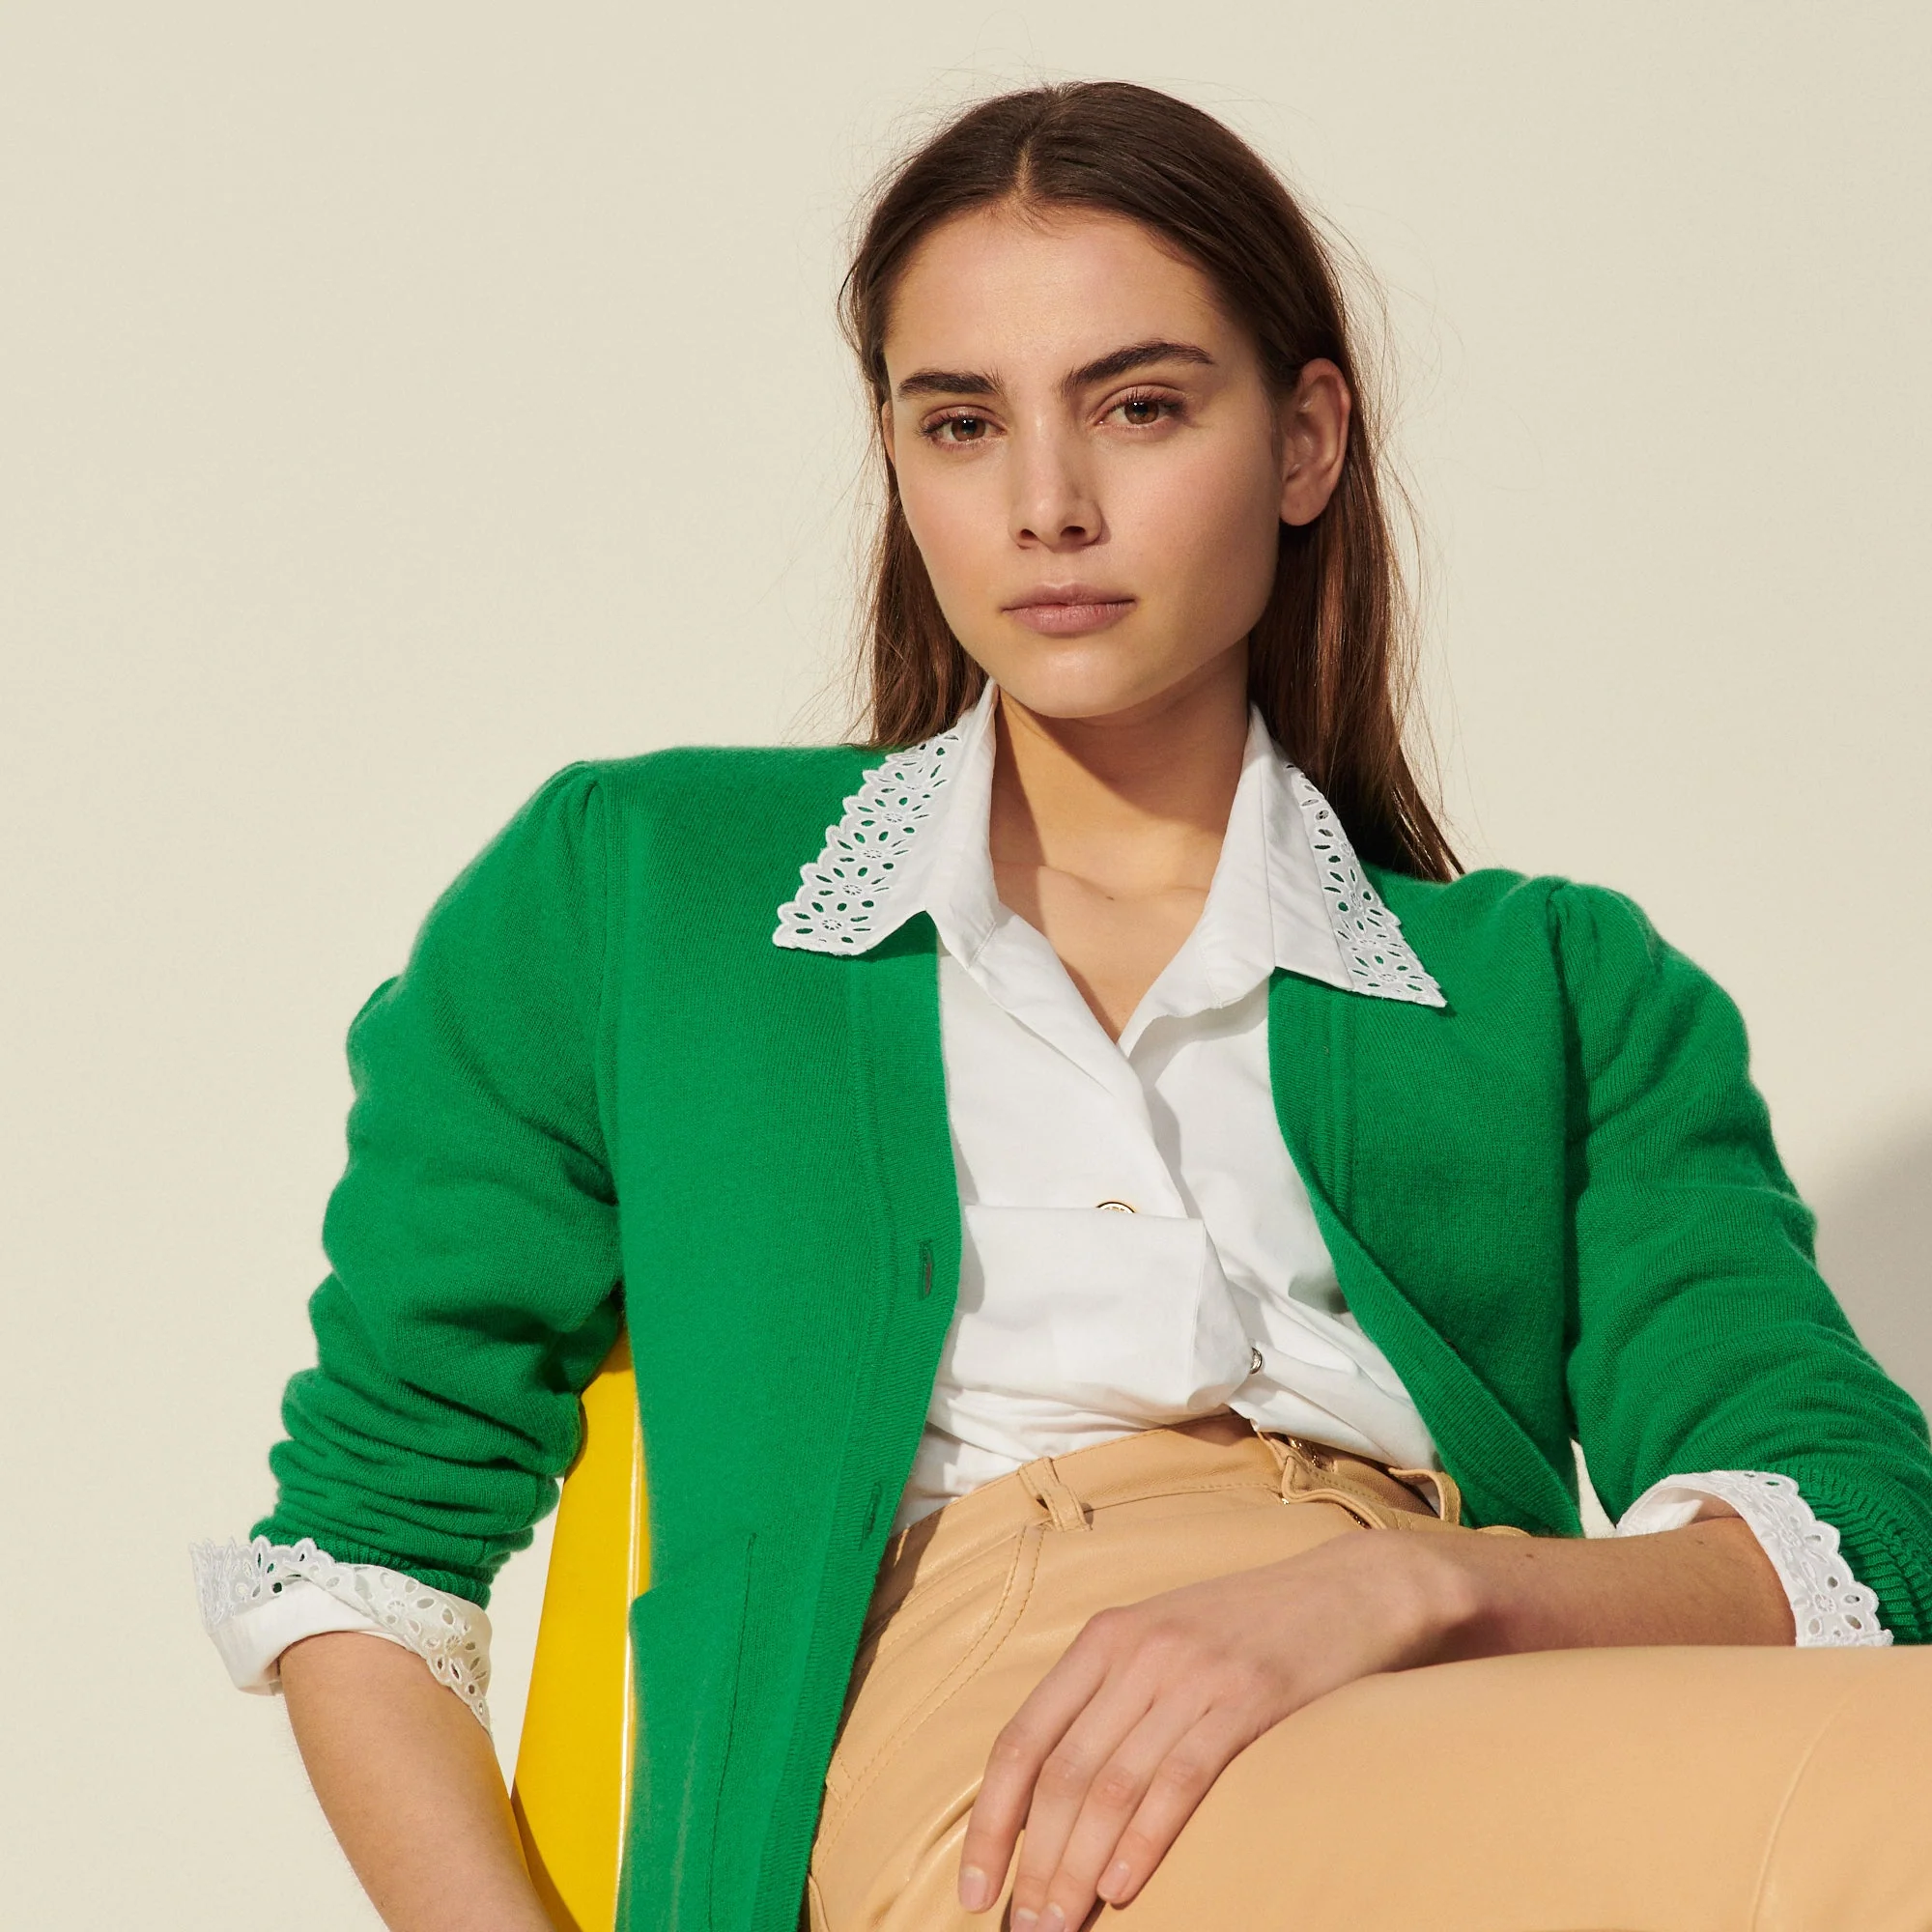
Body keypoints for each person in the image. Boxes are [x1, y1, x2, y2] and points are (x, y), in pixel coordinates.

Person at [194, 80, 1932, 1932]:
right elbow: (367, 1549)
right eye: (962, 424)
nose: (1047, 508)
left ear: (1306, 442)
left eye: (1140, 406)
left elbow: (1860, 1517)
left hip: (1467, 1692)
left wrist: (1419, 1588)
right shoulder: (642, 889)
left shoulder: (1549, 987)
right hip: (1014, 1764)